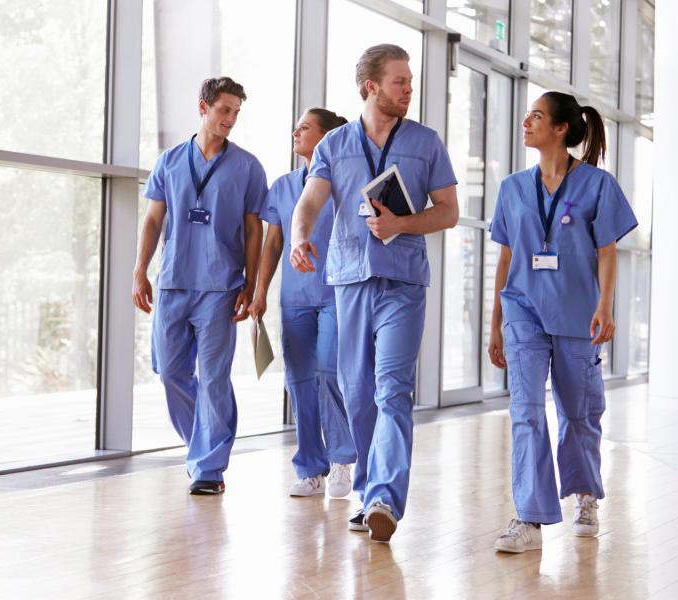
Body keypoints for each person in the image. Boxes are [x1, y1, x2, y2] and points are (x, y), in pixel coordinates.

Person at [289, 44, 459, 542]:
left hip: (403, 283)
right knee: (358, 393)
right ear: (371, 87)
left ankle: (385, 495)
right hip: (349, 281)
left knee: (392, 389)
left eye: (409, 81)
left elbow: (447, 210)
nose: (409, 89)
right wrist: (300, 237)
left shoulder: (426, 143)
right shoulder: (334, 145)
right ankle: (367, 492)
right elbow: (309, 202)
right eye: (399, 81)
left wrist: (402, 223)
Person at [488, 92, 638, 553]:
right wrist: (495, 322)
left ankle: (586, 494)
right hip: (523, 311)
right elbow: (507, 255)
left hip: (577, 312)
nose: (526, 121)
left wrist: (605, 306)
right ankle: (530, 518)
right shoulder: (513, 187)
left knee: (578, 413)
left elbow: (607, 250)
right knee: (526, 412)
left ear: (560, 129)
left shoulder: (597, 185)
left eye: (536, 115)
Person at [132, 76, 267, 495]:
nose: (230, 119)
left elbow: (253, 229)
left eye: (236, 113)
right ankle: (201, 446)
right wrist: (140, 270)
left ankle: (209, 467)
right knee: (170, 371)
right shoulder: (170, 161)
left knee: (213, 378)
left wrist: (250, 282)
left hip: (221, 286)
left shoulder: (247, 166)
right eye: (224, 110)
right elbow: (154, 219)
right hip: (174, 282)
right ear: (203, 107)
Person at [248, 108, 357, 500]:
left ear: (328, 137)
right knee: (299, 382)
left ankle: (343, 457)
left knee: (328, 370)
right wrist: (260, 292)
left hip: (336, 293)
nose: (296, 131)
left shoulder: (345, 184)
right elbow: (273, 243)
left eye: (306, 127)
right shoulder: (282, 186)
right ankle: (311, 467)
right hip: (294, 298)